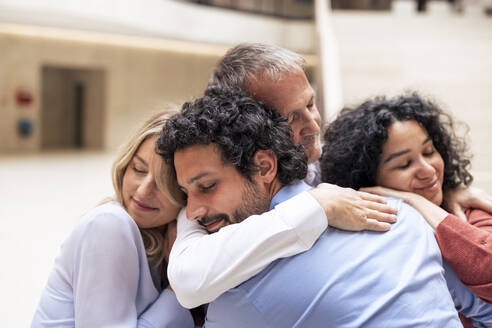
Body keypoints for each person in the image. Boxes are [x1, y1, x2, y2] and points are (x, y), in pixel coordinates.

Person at [158, 87, 492, 327]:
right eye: (187, 193)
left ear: (264, 168)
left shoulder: (240, 297)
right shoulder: (400, 216)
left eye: (207, 187)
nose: (193, 211)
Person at [165, 43, 400, 308]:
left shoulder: (343, 157)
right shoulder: (205, 206)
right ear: (246, 124)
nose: (313, 125)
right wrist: (318, 206)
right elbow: (188, 279)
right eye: (288, 119)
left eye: (310, 104)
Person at [320, 93, 492, 326]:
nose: (428, 170)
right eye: (405, 164)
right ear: (368, 180)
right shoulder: (370, 246)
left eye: (429, 151)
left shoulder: (471, 213)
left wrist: (417, 202)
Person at [31, 111, 197, 327]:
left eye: (164, 182)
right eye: (138, 169)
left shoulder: (165, 239)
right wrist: (177, 289)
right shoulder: (109, 225)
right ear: (124, 166)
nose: (143, 190)